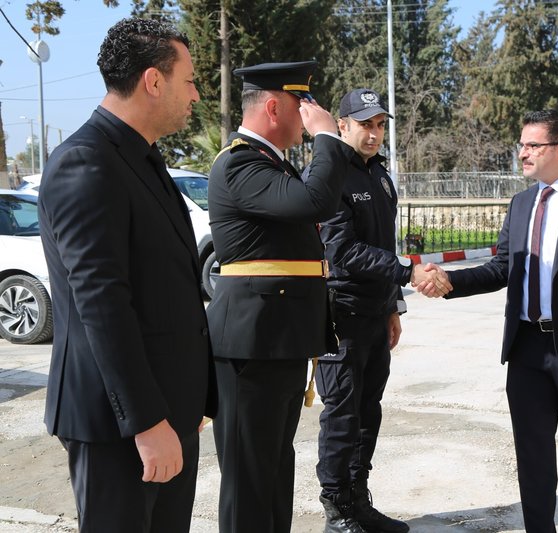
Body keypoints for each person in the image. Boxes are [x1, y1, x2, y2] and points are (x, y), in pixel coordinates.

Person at [37, 18, 216, 532]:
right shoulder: (85, 161)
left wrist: (187, 402)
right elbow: (102, 303)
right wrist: (146, 422)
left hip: (166, 413)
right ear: (152, 81)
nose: (197, 95)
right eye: (188, 80)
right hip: (120, 426)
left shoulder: (142, 157)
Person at [418, 109, 558, 532]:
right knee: (533, 458)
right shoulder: (521, 204)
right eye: (522, 145)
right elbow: (502, 268)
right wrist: (449, 283)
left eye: (533, 145)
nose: (522, 153)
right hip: (526, 349)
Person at [207, 62, 355, 533]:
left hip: (277, 342)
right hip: (252, 347)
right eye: (303, 103)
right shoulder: (240, 163)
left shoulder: (269, 163)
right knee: (250, 479)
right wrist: (328, 138)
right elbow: (315, 202)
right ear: (274, 107)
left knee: (274, 472)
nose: (311, 113)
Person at [313, 88, 448, 533]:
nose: (373, 134)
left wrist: (394, 306)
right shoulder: (332, 175)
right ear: (342, 124)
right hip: (341, 316)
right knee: (342, 414)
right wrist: (409, 272)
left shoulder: (381, 176)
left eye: (379, 125)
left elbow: (382, 244)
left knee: (368, 413)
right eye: (365, 124)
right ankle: (336, 511)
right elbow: (344, 252)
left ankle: (358, 500)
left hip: (374, 313)